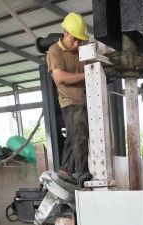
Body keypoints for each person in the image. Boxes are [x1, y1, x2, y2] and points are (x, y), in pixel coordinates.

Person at [46, 13, 90, 184]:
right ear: (65, 32)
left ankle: (66, 169)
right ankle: (81, 172)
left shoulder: (81, 50)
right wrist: (87, 74)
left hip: (86, 99)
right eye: (74, 39)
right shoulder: (54, 51)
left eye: (80, 40)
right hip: (70, 101)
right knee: (79, 134)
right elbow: (60, 78)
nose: (77, 44)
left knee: (75, 135)